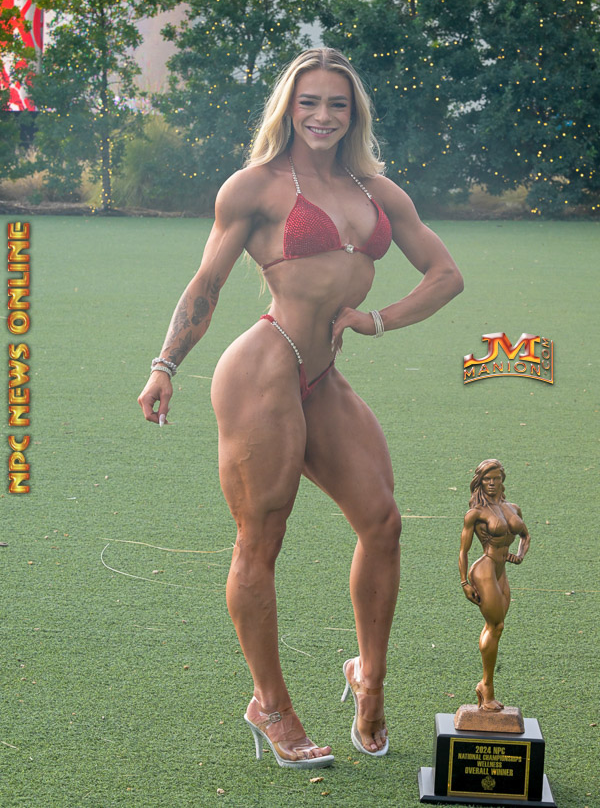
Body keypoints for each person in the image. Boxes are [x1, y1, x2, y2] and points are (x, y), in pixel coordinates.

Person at [138, 48, 464, 767]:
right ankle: (272, 706)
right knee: (262, 539)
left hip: (322, 374)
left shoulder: (378, 190)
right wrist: (165, 365)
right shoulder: (254, 187)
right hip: (263, 369)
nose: (322, 115)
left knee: (382, 521)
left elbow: (446, 275)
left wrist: (378, 320)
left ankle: (368, 677)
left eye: (336, 104)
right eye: (308, 102)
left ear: (354, 114)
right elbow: (206, 284)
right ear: (288, 108)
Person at [459, 459, 531, 711]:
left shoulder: (513, 508)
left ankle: (485, 686)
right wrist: (464, 582)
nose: (491, 483)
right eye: (486, 479)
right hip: (484, 569)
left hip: (501, 570)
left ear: (502, 479)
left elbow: (525, 535)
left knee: (496, 628)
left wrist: (519, 555)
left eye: (495, 478)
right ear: (480, 482)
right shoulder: (475, 514)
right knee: (496, 624)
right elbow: (463, 551)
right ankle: (486, 687)